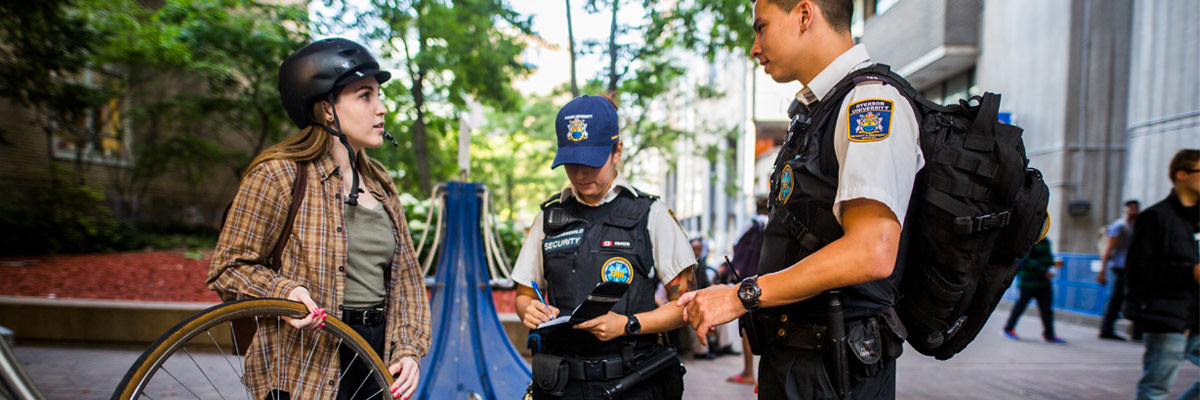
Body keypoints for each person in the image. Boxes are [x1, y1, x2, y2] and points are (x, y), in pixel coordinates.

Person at [679, 0, 919, 398]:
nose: (755, 47)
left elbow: (871, 250)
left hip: (834, 369)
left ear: (805, 15)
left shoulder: (869, 104)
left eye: (761, 28)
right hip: (801, 361)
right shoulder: (817, 112)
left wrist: (744, 295)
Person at [207, 38, 430, 400]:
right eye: (365, 96)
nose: (382, 109)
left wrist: (408, 350)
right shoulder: (278, 175)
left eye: (378, 95)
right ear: (327, 109)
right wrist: (286, 294)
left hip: (374, 358)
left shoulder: (382, 184)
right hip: (303, 365)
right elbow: (228, 267)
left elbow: (407, 281)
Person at [512, 95, 696, 399]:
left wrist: (627, 325)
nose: (581, 174)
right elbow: (523, 295)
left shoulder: (652, 214)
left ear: (617, 151)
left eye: (591, 162)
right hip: (561, 384)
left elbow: (688, 304)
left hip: (632, 382)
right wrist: (527, 310)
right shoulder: (547, 218)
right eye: (572, 163)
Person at [1124, 149, 1199, 400]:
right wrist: (1190, 273)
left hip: (1196, 316)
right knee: (1156, 389)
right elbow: (1139, 270)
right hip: (1168, 317)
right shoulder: (1157, 217)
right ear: (1182, 175)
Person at [725, 195, 769, 386]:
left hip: (750, 283)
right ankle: (764, 374)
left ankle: (748, 371)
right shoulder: (777, 224)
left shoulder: (751, 224)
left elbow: (737, 247)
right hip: (773, 281)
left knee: (748, 325)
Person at [1002, 238, 1066, 343]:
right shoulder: (1030, 240)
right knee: (1020, 306)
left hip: (1043, 283)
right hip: (1028, 282)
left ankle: (1049, 334)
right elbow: (1025, 260)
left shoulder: (1046, 241)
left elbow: (1046, 258)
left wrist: (1053, 263)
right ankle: (1008, 329)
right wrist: (1043, 270)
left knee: (1046, 309)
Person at [1097, 200, 1140, 341]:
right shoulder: (1119, 226)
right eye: (1130, 208)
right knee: (1116, 298)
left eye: (1135, 208)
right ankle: (1106, 329)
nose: (1133, 210)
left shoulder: (1137, 226)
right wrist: (1102, 270)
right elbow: (1108, 248)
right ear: (1125, 210)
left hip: (1133, 268)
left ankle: (1136, 331)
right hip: (1120, 267)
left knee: (1134, 298)